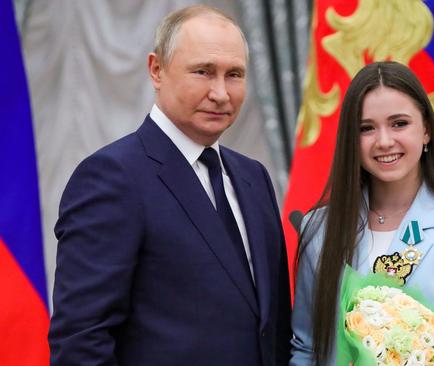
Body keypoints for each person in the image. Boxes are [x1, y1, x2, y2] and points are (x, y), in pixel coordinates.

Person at [49, 5, 291, 366]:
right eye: (203, 72)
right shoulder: (111, 177)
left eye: (235, 74)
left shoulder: (254, 178)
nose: (221, 93)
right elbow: (82, 340)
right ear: (156, 70)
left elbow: (272, 327)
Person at [289, 61, 434, 366]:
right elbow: (306, 348)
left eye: (399, 123)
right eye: (366, 128)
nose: (384, 141)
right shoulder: (319, 228)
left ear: (426, 130)